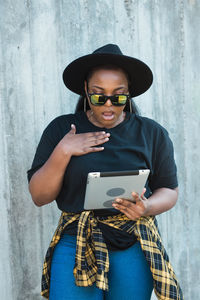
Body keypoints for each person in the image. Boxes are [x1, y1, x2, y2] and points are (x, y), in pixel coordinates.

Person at [27, 44, 184, 300]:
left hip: (131, 241)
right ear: (86, 92)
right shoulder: (61, 130)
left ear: (129, 94)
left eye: (118, 96)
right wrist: (64, 150)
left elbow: (169, 190)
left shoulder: (151, 133)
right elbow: (39, 196)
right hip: (76, 240)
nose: (108, 105)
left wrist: (146, 207)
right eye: (99, 95)